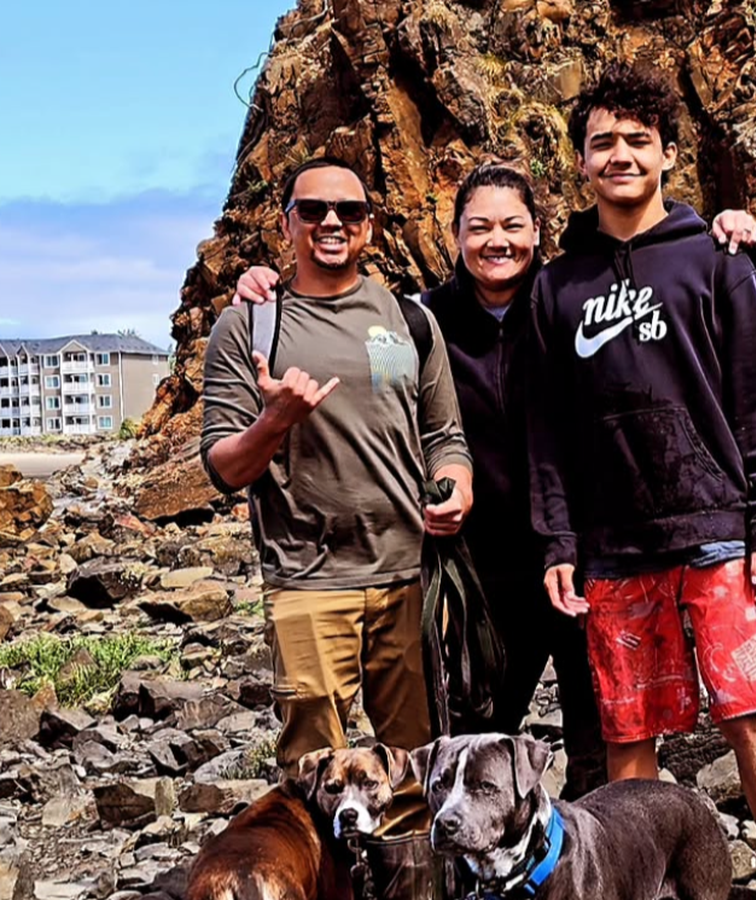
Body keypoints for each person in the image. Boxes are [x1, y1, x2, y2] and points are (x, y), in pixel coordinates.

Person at [234, 165, 756, 799]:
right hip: (480, 573)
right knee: (473, 746)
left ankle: (592, 855)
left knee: (602, 740)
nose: (498, 241)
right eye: (479, 227)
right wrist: (267, 287)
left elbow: (669, 290)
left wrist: (732, 234)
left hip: (587, 559)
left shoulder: (577, 296)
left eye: (512, 225)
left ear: (538, 231)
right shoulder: (423, 321)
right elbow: (366, 365)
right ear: (455, 235)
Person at [525, 63, 756, 900]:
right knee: (629, 734)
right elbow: (546, 430)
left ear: (668, 155)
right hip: (613, 549)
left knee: (748, 714)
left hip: (718, 531)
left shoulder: (716, 260)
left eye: (637, 140)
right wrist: (558, 540)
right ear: (581, 161)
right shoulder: (556, 286)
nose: (620, 155)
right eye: (602, 142)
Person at [201, 156, 470, 899]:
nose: (331, 222)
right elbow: (223, 467)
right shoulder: (250, 324)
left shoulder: (409, 319)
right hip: (307, 583)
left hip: (408, 577)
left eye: (348, 211)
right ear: (285, 222)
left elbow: (445, 434)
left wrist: (458, 487)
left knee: (413, 769)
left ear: (369, 227)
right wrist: (275, 420)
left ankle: (412, 891)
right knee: (312, 778)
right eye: (313, 209)